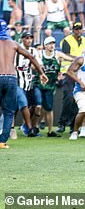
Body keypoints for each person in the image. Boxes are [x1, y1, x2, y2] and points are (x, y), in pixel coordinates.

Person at [0, 20, 47, 149]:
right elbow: (32, 57)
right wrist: (41, 73)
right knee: (9, 112)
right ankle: (2, 142)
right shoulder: (13, 44)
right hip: (11, 78)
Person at [38, 37, 73, 137]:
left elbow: (71, 59)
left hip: (50, 85)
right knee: (37, 106)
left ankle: (49, 130)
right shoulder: (40, 54)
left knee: (48, 107)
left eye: (53, 43)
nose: (52, 45)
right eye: (49, 43)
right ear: (45, 45)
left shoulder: (57, 54)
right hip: (39, 84)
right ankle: (33, 127)